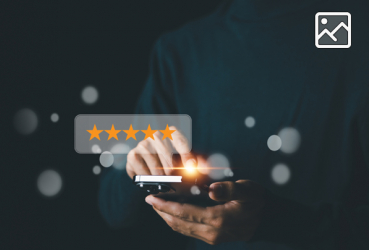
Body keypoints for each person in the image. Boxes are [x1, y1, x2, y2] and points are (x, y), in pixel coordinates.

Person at [98, 0, 369, 249]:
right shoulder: (179, 51)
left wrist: (278, 221)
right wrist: (135, 169)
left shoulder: (355, 31)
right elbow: (112, 208)